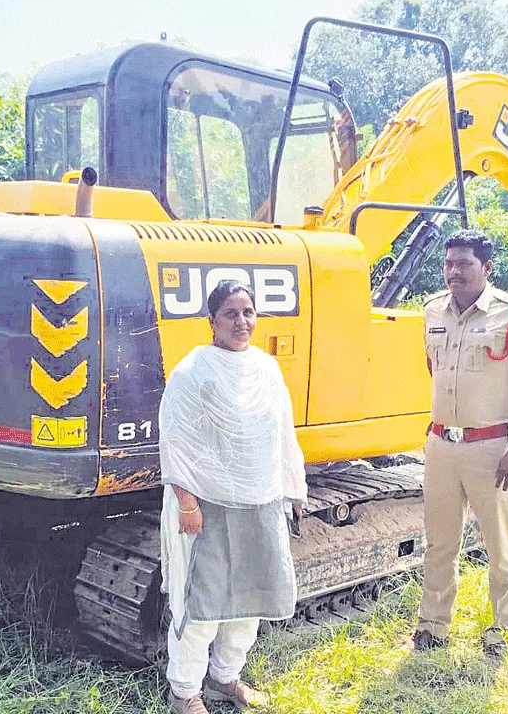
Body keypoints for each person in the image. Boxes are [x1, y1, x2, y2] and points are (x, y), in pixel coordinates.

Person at [158, 280, 308, 714]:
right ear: (211, 321)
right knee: (202, 607)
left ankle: (225, 678)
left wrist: (292, 488)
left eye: (248, 312)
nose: (242, 322)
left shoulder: (266, 368)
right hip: (207, 506)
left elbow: (282, 433)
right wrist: (187, 503)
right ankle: (185, 692)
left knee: (250, 601)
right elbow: (177, 442)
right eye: (231, 313)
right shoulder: (193, 371)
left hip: (260, 500)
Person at [407, 230, 508, 663]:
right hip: (441, 446)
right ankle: (432, 626)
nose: (454, 272)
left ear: (486, 268)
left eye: (464, 264)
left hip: (492, 450)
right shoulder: (432, 310)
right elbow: (434, 368)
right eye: (449, 263)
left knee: (500, 543)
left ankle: (501, 631)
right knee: (440, 543)